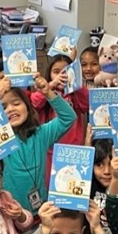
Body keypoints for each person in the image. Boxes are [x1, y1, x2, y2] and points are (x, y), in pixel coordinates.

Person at [0, 73, 75, 220]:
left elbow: (69, 118)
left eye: (16, 103)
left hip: (42, 210)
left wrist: (48, 92)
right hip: (9, 213)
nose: (11, 109)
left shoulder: (41, 134)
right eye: (3, 107)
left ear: (27, 106)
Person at [30, 53, 89, 187]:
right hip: (50, 150)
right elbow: (34, 103)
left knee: (72, 187)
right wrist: (50, 86)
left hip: (74, 150)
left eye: (66, 72)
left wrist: (76, 82)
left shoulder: (75, 95)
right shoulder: (45, 92)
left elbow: (86, 103)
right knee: (51, 186)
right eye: (56, 72)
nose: (61, 76)